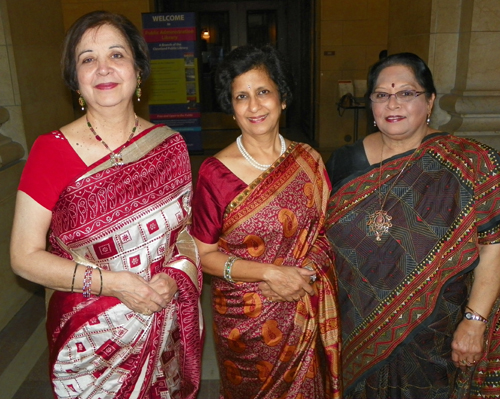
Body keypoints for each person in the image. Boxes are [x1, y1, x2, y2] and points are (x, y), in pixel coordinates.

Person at [10, 11, 202, 399]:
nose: (103, 68)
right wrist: (113, 284)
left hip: (162, 324)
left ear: (137, 68)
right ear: (74, 79)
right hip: (89, 340)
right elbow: (23, 256)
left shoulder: (170, 145)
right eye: (87, 59)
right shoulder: (50, 151)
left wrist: (173, 277)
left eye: (116, 54)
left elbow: (186, 236)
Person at [325, 52, 500, 398]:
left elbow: (491, 246)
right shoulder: (343, 161)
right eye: (381, 94)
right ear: (371, 104)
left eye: (407, 93)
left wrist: (474, 322)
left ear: (430, 100)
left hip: (434, 329)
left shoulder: (469, 163)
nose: (393, 104)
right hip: (355, 322)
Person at [191, 44, 341, 399]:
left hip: (303, 307)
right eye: (241, 97)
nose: (254, 106)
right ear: (232, 109)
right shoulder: (215, 173)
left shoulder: (309, 161)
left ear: (283, 98)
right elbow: (204, 254)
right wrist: (270, 274)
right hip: (246, 325)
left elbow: (327, 232)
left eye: (263, 92)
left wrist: (301, 274)